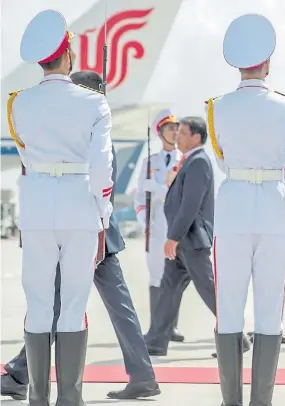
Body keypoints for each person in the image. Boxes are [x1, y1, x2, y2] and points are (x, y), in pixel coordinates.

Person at [1, 70, 160, 402]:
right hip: (90, 228)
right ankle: (141, 375)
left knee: (57, 304)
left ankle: (22, 375)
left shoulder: (89, 124)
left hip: (90, 230)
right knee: (86, 305)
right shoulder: (93, 124)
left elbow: (102, 179)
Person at [8, 10, 113, 404]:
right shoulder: (94, 104)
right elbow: (103, 167)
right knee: (73, 305)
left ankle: (37, 397)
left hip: (36, 209)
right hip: (79, 206)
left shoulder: (18, 103)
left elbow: (25, 154)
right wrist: (103, 215)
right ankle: (70, 398)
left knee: (36, 305)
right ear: (67, 53)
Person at [206, 14, 285, 406]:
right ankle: (261, 401)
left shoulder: (216, 108)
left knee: (228, 309)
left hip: (232, 207)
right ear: (268, 63)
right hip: (273, 209)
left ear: (237, 64)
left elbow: (222, 159)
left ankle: (230, 400)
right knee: (270, 313)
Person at [143, 117, 230, 358]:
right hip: (184, 242)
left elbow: (190, 205)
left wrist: (173, 236)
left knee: (208, 289)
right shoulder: (190, 161)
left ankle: (235, 335)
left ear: (196, 137)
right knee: (168, 289)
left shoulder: (199, 162)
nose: (177, 136)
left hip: (191, 240)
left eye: (182, 133)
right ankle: (156, 341)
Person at [134, 108, 185, 343]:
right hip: (156, 227)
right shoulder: (149, 162)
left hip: (175, 227)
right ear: (160, 132)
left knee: (174, 278)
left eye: (176, 128)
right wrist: (145, 222)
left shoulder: (184, 161)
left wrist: (160, 189)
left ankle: (171, 327)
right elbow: (138, 200)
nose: (174, 133)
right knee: (156, 276)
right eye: (169, 129)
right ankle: (156, 327)